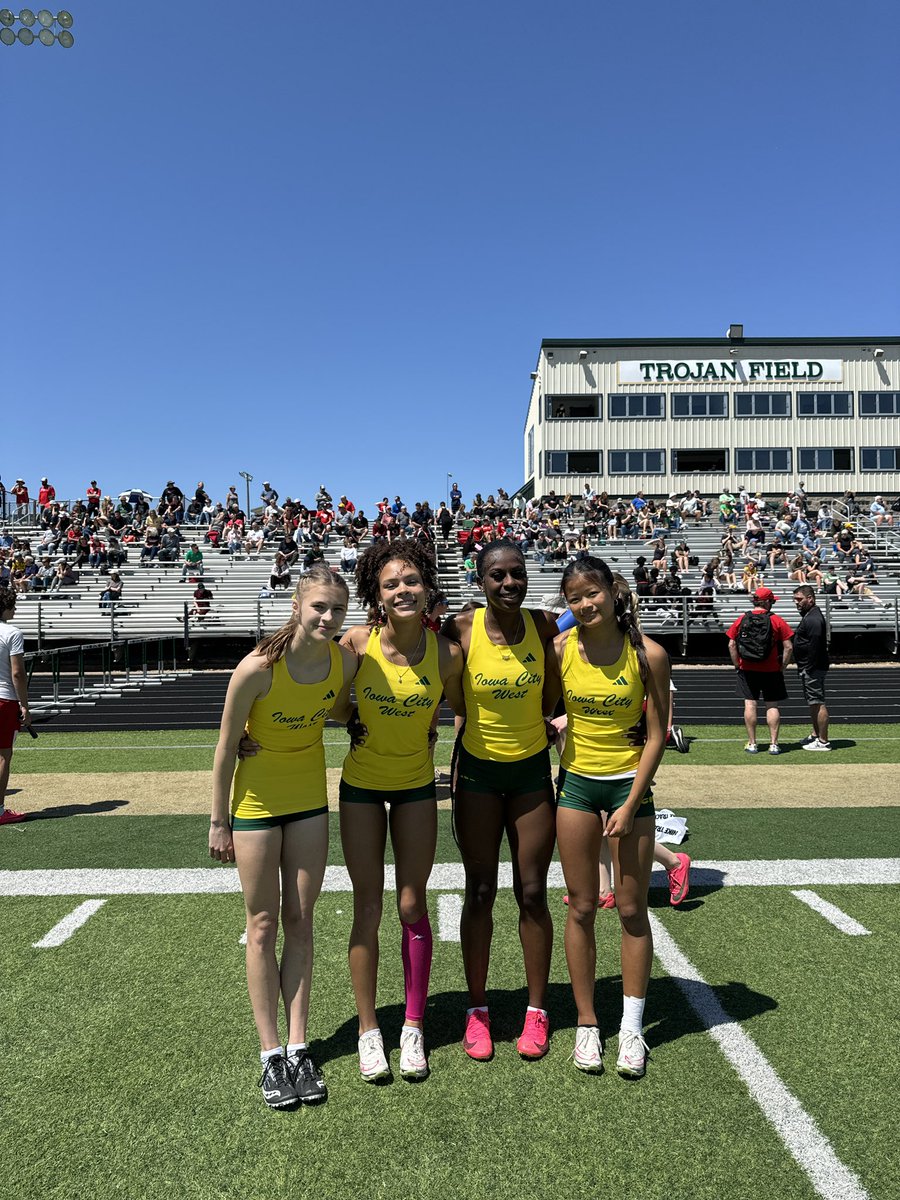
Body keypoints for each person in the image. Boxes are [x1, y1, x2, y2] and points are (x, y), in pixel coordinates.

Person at [210, 565, 357, 1109]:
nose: (327, 617)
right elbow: (226, 747)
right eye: (319, 606)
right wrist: (218, 820)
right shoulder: (257, 668)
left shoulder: (343, 660)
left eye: (337, 610)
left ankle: (299, 1047)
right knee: (263, 923)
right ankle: (270, 1054)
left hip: (308, 801)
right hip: (255, 804)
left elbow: (343, 705)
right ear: (297, 606)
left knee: (300, 919)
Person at [337, 540, 465, 1082]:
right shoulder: (356, 643)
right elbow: (327, 701)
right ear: (377, 594)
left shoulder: (445, 653)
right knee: (368, 907)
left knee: (412, 904)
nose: (402, 590)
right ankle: (370, 1031)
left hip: (416, 789)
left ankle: (413, 1026)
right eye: (391, 584)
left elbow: (464, 711)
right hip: (361, 789)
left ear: (427, 587)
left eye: (411, 580)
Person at [543, 555, 669, 1077]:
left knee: (633, 908)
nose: (585, 604)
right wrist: (552, 729)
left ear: (612, 592)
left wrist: (632, 799)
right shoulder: (557, 651)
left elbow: (658, 733)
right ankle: (589, 1024)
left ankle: (632, 1029)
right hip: (574, 786)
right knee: (581, 906)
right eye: (574, 597)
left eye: (592, 592)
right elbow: (538, 708)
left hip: (627, 788)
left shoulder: (649, 655)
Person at [439, 539, 560, 1063]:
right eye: (497, 576)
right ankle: (478, 1010)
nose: (508, 583)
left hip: (532, 774)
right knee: (481, 890)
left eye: (517, 574)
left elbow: (553, 695)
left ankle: (537, 1010)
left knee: (532, 892)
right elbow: (435, 681)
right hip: (478, 776)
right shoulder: (460, 629)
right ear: (481, 580)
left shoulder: (545, 625)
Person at [726, 587, 794, 755]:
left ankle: (752, 743)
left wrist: (737, 664)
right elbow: (788, 647)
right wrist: (783, 666)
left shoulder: (742, 619)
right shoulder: (777, 620)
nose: (773, 604)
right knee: (772, 705)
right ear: (766, 602)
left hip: (747, 669)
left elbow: (731, 644)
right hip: (771, 670)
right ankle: (774, 744)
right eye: (772, 601)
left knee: (750, 704)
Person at [0, 585, 30, 825]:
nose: (15, 609)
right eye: (13, 604)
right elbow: (17, 674)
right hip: (4, 699)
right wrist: (25, 706)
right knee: (3, 756)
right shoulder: (12, 633)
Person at [792, 585, 832, 752]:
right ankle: (816, 734)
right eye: (795, 600)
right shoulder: (809, 615)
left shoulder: (813, 618)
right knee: (813, 702)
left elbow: (815, 645)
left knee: (817, 702)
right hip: (810, 667)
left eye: (799, 599)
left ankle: (823, 741)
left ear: (810, 598)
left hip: (813, 668)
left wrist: (809, 667)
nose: (797, 603)